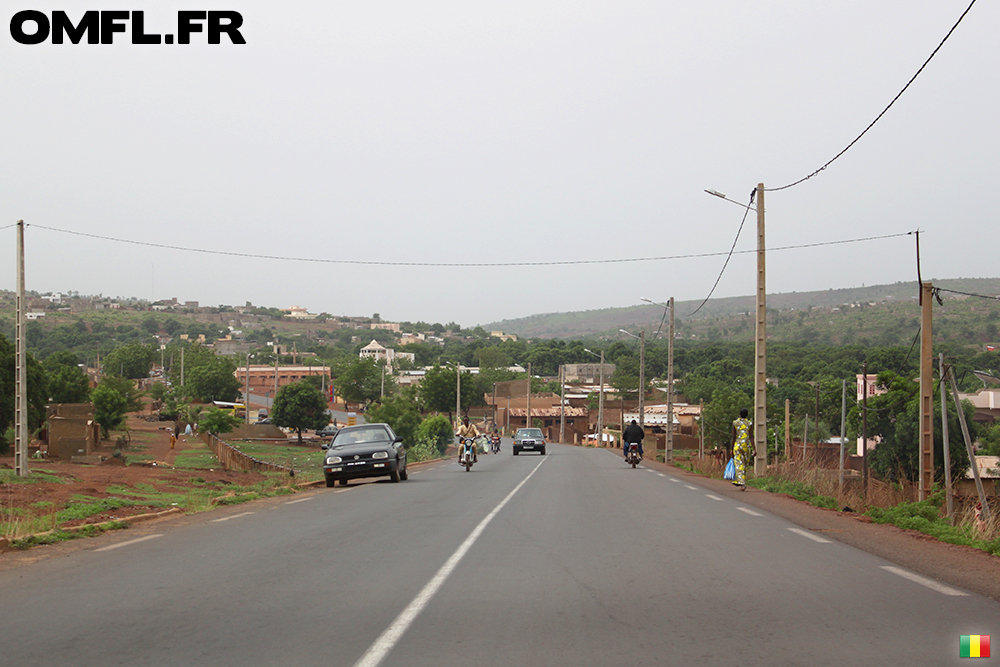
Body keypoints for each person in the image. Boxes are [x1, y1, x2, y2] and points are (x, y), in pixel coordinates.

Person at [731, 408, 753, 490]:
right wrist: (754, 448)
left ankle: (741, 481)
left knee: (738, 463)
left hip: (737, 446)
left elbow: (733, 437)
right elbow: (751, 436)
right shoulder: (749, 423)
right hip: (746, 446)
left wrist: (731, 448)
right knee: (745, 464)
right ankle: (742, 481)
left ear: (739, 414)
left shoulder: (735, 423)